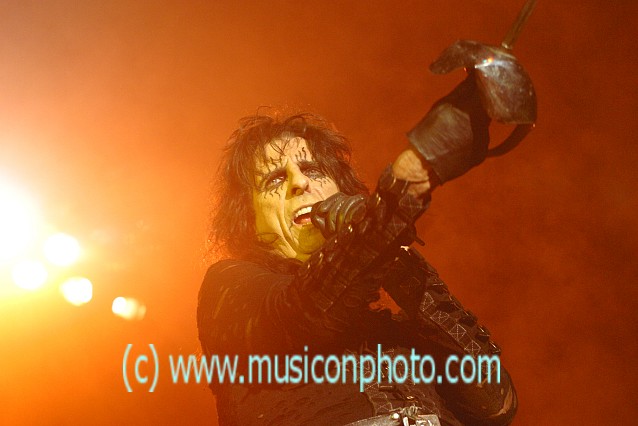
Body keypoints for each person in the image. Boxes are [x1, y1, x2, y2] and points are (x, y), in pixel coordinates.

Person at [197, 76, 518, 425]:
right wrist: (398, 197)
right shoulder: (227, 288)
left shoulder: (400, 336)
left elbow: (495, 405)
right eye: (275, 179)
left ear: (341, 189)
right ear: (249, 219)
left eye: (312, 169)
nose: (300, 182)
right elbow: (302, 313)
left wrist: (392, 253)